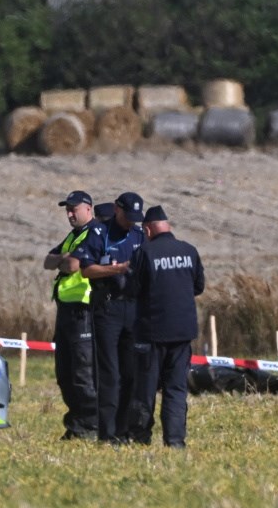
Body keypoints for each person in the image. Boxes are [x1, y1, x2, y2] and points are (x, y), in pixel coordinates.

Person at [126, 205, 204, 448]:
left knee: (145, 389)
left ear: (148, 229)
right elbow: (198, 287)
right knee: (176, 390)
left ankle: (140, 438)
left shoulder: (145, 253)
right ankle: (175, 440)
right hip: (182, 334)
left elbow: (132, 289)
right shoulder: (189, 251)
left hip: (151, 334)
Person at [82, 192, 146, 443]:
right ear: (117, 210)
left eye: (135, 218)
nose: (131, 221)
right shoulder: (99, 233)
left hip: (133, 309)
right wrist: (115, 269)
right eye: (127, 216)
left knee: (130, 374)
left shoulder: (139, 235)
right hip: (108, 309)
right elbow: (86, 269)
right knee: (110, 374)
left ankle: (124, 429)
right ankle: (107, 433)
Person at [42, 190, 104, 440]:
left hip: (84, 310)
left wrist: (64, 260)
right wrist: (63, 258)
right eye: (67, 209)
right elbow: (48, 261)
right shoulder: (73, 236)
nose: (69, 214)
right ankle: (76, 423)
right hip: (66, 312)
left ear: (88, 209)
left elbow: (72, 265)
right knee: (64, 373)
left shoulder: (94, 234)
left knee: (83, 373)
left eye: (74, 209)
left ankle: (90, 425)